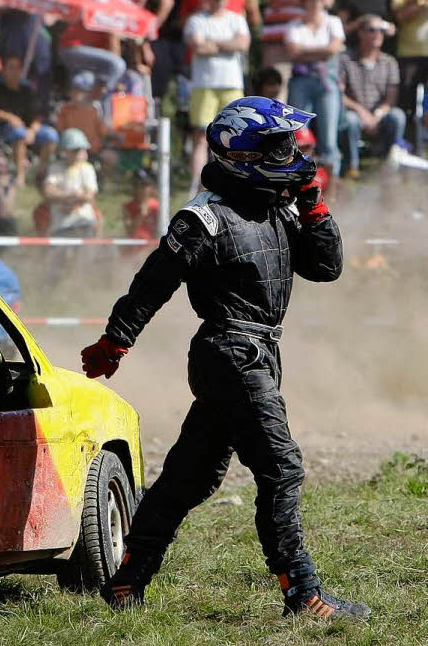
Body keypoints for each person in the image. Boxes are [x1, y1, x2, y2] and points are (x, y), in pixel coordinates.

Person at [83, 95, 370, 623]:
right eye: (277, 147)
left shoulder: (279, 206)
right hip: (230, 353)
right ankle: (303, 595)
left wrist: (313, 204)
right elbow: (152, 284)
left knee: (189, 478)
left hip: (256, 353)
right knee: (281, 469)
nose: (289, 156)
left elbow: (326, 268)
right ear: (239, 154)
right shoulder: (203, 219)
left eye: (289, 145)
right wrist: (115, 342)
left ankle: (125, 583)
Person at [183, 0, 251, 192]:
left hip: (231, 84)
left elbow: (243, 43)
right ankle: (198, 184)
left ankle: (236, 181)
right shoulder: (196, 20)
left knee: (234, 138)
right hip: (204, 85)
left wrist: (213, 43)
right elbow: (198, 47)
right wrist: (227, 44)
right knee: (201, 137)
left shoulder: (236, 18)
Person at [285, 0, 345, 175]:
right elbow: (293, 52)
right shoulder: (294, 25)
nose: (316, 3)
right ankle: (297, 181)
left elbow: (334, 49)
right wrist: (322, 52)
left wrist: (306, 51)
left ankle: (332, 186)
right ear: (304, 1)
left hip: (327, 83)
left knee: (329, 137)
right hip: (301, 82)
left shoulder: (333, 22)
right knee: (299, 135)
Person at [338, 15, 406, 175]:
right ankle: (352, 167)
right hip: (355, 114)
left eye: (381, 30)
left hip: (380, 115)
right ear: (361, 33)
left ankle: (388, 165)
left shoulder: (390, 62)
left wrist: (377, 115)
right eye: (372, 30)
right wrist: (362, 112)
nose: (378, 34)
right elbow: (339, 94)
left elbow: (391, 99)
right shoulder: (345, 59)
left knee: (398, 116)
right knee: (350, 120)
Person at [0, 53, 60, 185]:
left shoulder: (27, 90)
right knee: (19, 133)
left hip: (30, 129)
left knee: (51, 135)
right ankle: (20, 175)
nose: (15, 71)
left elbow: (38, 115)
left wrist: (33, 131)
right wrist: (9, 117)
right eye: (11, 67)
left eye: (18, 68)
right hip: (5, 130)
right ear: (4, 70)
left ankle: (41, 174)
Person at [390, 0, 428, 148]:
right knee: (410, 104)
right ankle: (413, 146)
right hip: (409, 54)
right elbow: (401, 17)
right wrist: (418, 1)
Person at [152, 0, 197, 103]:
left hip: (184, 42)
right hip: (159, 40)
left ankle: (186, 126)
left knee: (186, 87)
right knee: (157, 88)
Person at [41, 127, 100, 237]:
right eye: (75, 150)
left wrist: (62, 196)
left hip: (84, 224)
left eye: (82, 149)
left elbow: (89, 196)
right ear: (65, 150)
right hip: (60, 226)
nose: (80, 153)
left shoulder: (87, 169)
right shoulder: (55, 168)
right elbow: (48, 193)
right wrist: (73, 194)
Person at [122, 169, 159, 241]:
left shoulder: (158, 207)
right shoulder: (128, 207)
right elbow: (130, 232)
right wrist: (141, 215)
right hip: (133, 248)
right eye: (140, 185)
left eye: (146, 185)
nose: (143, 189)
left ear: (151, 187)